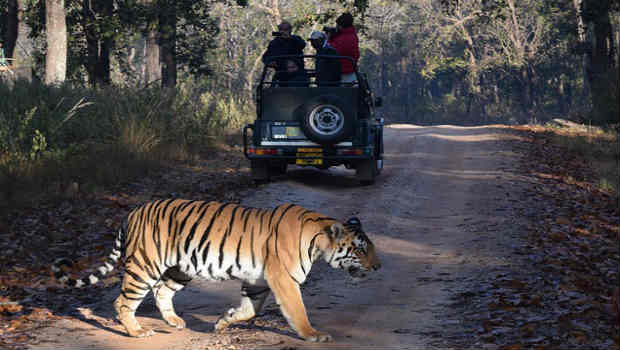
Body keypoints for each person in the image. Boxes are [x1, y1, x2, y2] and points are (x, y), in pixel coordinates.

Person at [327, 13, 360, 84]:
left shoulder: (343, 38)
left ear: (341, 26)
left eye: (337, 25)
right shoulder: (353, 35)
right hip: (350, 71)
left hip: (343, 73)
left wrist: (330, 38)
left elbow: (330, 51)